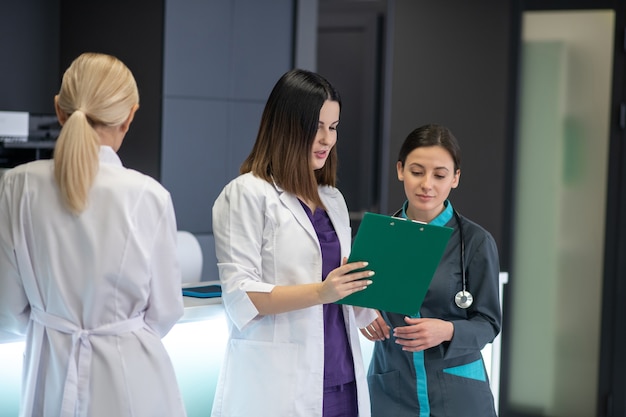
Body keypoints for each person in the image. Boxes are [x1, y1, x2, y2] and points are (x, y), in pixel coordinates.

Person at [0, 52, 187, 417]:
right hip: (131, 382)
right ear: (129, 116)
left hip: (47, 377)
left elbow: (9, 309)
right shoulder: (148, 195)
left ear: (59, 109)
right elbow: (165, 312)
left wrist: (56, 327)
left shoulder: (17, 185)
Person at [211, 68, 378, 417]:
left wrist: (364, 305)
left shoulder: (332, 199)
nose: (326, 139)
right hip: (279, 385)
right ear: (286, 125)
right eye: (316, 126)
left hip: (342, 378)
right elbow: (240, 296)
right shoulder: (246, 194)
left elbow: (337, 277)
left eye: (333, 128)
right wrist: (321, 292)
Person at [361, 124, 501, 416]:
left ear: (455, 178)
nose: (427, 184)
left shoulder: (475, 242)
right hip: (393, 391)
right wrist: (361, 314)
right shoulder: (379, 237)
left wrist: (447, 330)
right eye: (416, 171)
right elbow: (353, 301)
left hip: (458, 392)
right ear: (400, 170)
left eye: (439, 175)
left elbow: (488, 324)